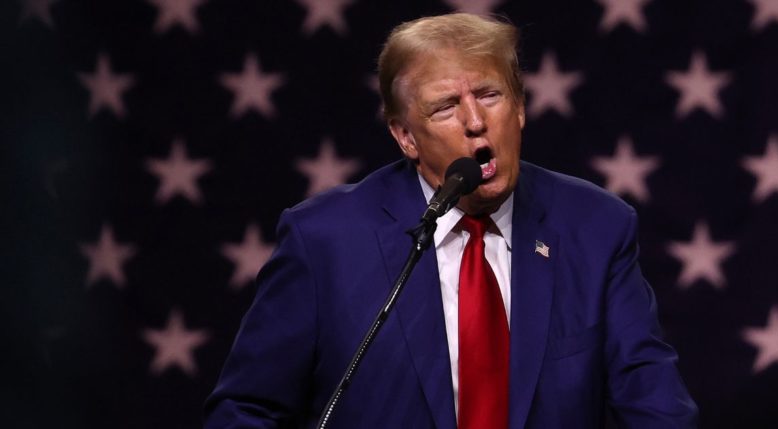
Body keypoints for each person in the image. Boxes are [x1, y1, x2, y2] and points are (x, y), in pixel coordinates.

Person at [204, 13, 698, 428]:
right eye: (445, 107)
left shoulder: (595, 227)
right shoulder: (325, 241)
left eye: (489, 95)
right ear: (405, 137)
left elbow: (656, 406)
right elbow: (246, 409)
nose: (475, 122)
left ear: (521, 108)